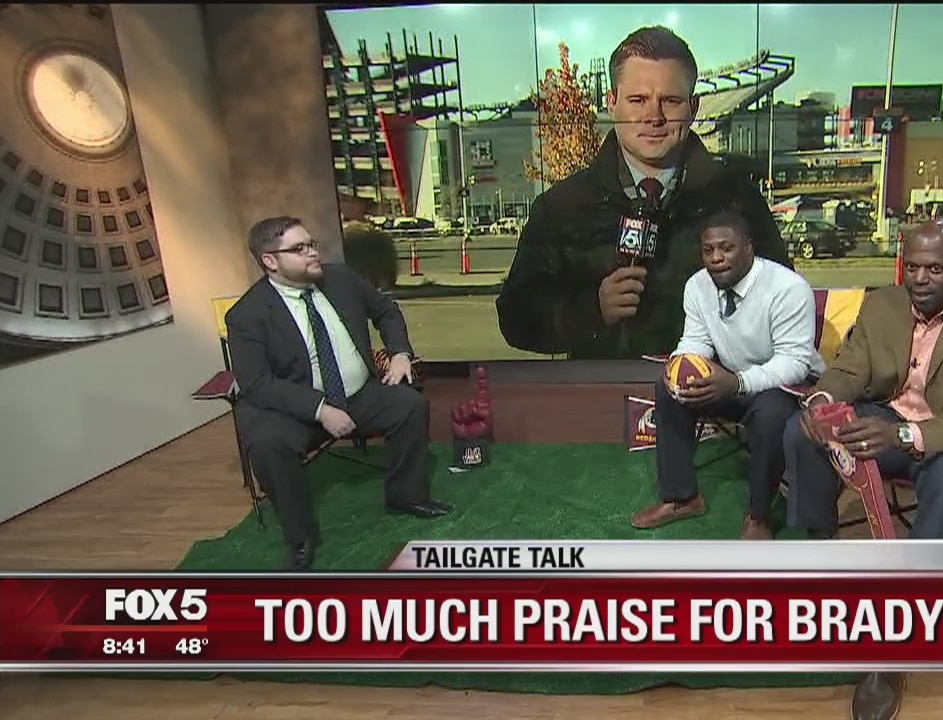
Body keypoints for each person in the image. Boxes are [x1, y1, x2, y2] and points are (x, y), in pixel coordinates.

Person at [782, 218, 943, 720]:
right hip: (889, 417)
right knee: (801, 430)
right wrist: (823, 400)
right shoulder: (883, 304)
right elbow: (851, 369)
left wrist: (902, 435)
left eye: (935, 269)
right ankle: (817, 547)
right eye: (912, 266)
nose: (919, 278)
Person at [496, 25, 790, 359]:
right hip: (602, 388)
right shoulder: (562, 207)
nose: (654, 117)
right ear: (612, 103)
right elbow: (515, 317)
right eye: (638, 100)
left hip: (710, 387)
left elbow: (784, 307)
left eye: (671, 101)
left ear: (693, 108)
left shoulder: (738, 202)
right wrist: (592, 309)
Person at [225, 216, 452, 571]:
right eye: (299, 249)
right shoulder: (247, 315)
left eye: (312, 244)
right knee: (269, 445)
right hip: (296, 409)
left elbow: (386, 311)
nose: (312, 252)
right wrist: (319, 409)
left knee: (410, 405)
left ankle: (406, 496)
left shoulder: (341, 279)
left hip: (357, 395)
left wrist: (400, 353)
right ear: (270, 261)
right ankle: (301, 538)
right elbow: (257, 384)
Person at [630, 210, 823, 540]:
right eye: (708, 250)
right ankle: (682, 498)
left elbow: (795, 362)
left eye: (726, 248)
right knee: (670, 391)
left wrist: (737, 383)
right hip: (731, 381)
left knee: (771, 412)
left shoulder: (788, 288)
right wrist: (680, 366)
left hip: (787, 387)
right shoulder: (697, 285)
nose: (716, 258)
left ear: (748, 247)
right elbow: (696, 341)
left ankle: (759, 516)